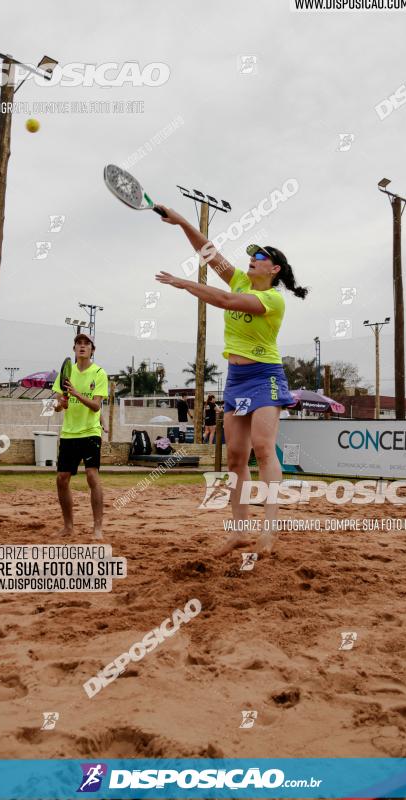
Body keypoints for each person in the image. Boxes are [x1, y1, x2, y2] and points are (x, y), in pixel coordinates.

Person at [155, 207, 309, 556]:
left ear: (275, 269)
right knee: (235, 458)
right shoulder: (240, 278)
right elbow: (208, 252)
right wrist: (181, 222)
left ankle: (268, 530)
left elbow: (224, 301)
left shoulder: (272, 300)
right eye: (252, 255)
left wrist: (185, 284)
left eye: (261, 257)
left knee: (264, 448)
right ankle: (240, 531)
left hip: (265, 375)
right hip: (237, 379)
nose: (252, 259)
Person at [52, 333, 108, 539]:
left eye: (87, 344)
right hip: (69, 433)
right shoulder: (66, 373)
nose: (82, 346)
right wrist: (61, 404)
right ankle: (68, 526)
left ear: (93, 349)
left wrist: (75, 394)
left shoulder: (99, 373)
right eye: (79, 343)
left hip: (90, 432)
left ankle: (97, 529)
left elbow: (96, 406)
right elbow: (58, 405)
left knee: (92, 475)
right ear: (74, 349)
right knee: (61, 479)